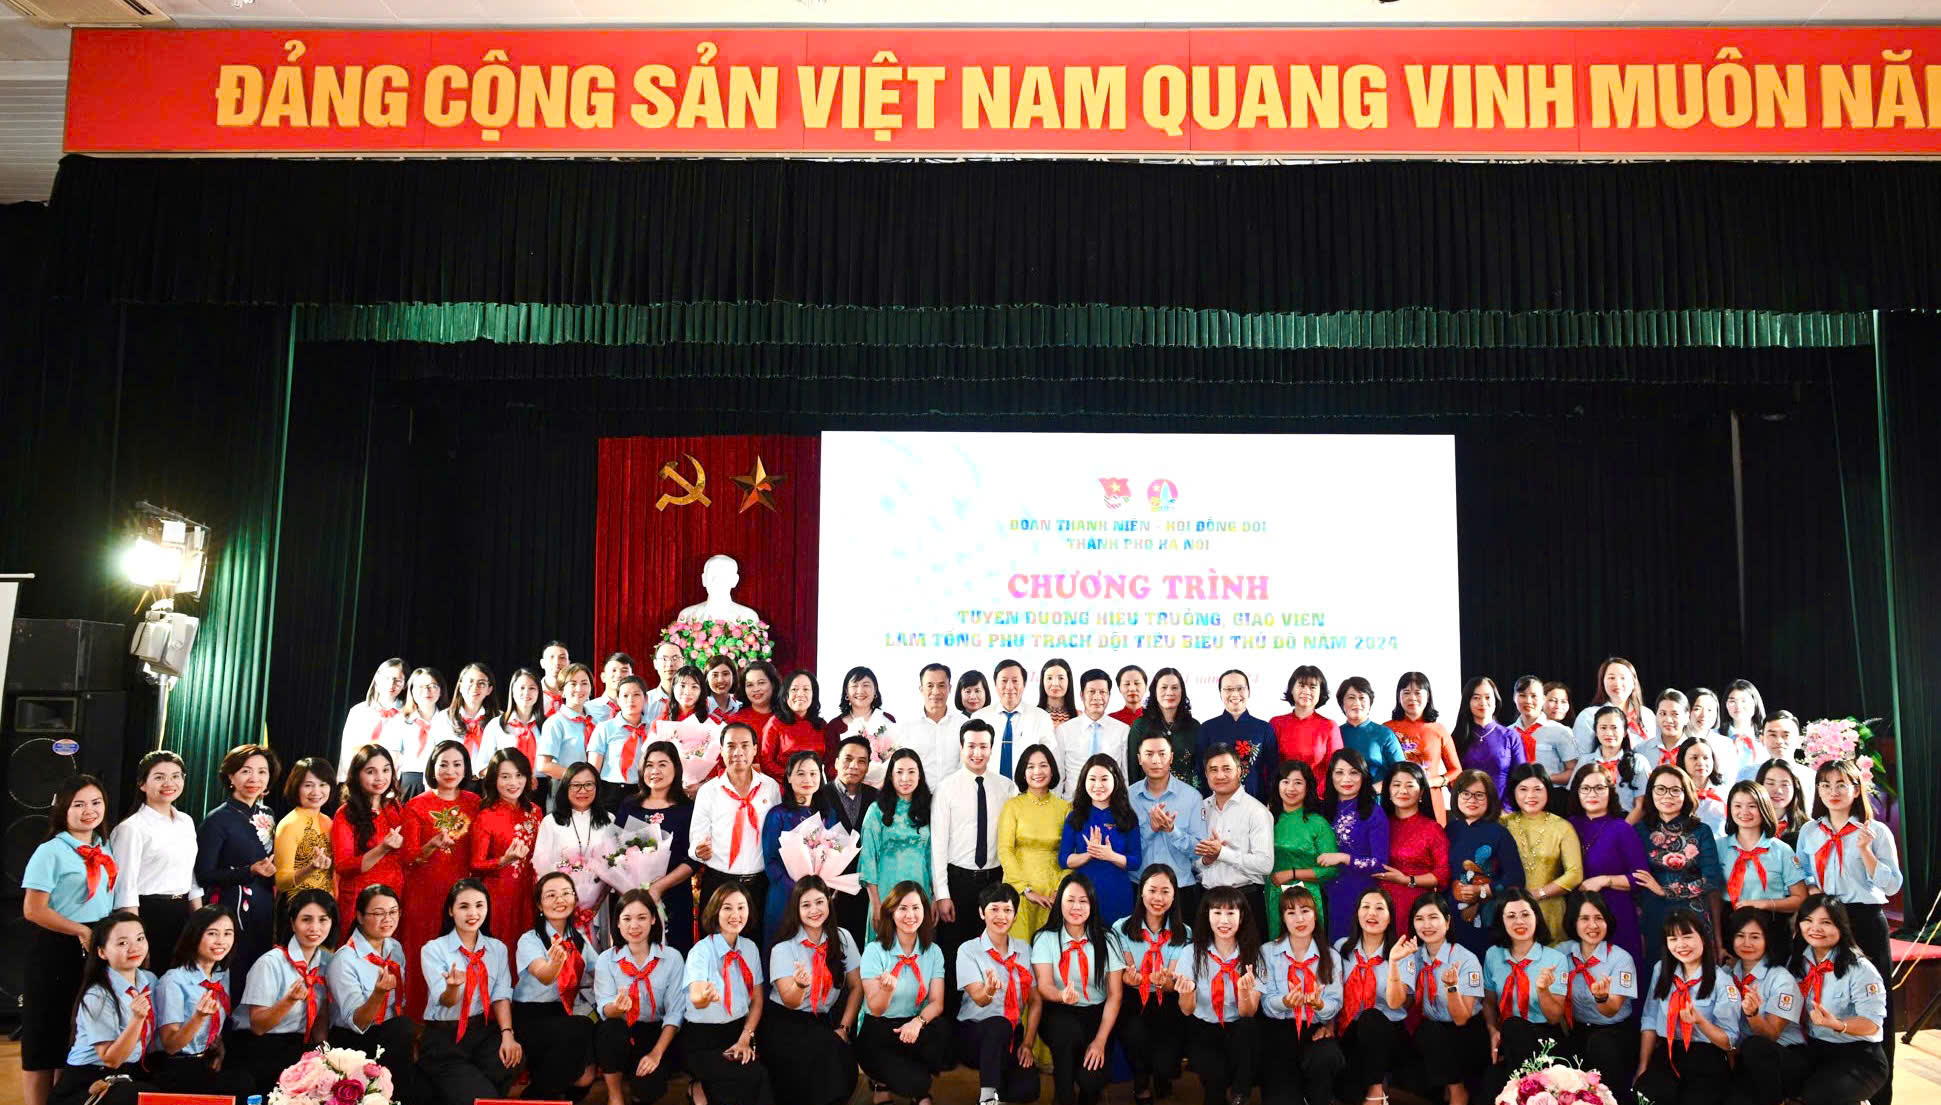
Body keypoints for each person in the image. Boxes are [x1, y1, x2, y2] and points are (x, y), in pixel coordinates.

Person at [1796, 758, 1902, 1105]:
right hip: (1825, 918)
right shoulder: (1810, 831)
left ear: (1856, 790)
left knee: (1877, 1004)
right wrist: (1814, 894)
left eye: (1841, 784)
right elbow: (1804, 873)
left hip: (1864, 919)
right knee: (1824, 993)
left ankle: (1880, 1092)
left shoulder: (1876, 831)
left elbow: (1892, 884)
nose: (1833, 791)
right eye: (1825, 785)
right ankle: (1834, 1080)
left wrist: (1866, 852)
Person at [22, 776, 121, 1105]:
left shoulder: (103, 847)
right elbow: (33, 910)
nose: (89, 810)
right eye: (79, 804)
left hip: (94, 946)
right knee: (44, 1040)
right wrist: (79, 930)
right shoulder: (50, 851)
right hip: (56, 946)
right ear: (63, 810)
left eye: (96, 802)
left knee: (75, 1039)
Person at [324, 885, 436, 1105]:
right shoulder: (344, 959)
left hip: (390, 1037)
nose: (388, 919)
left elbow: (398, 1006)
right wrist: (378, 994)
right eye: (378, 913)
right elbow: (358, 1023)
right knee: (402, 1028)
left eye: (393, 912)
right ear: (359, 916)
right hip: (353, 1041)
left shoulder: (394, 948)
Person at [419, 879, 522, 1104]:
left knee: (512, 1057)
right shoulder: (433, 949)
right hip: (445, 1038)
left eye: (479, 905)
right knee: (481, 1098)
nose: (473, 913)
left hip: (481, 1032)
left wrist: (507, 1034)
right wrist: (453, 987)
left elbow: (500, 995)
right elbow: (446, 1001)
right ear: (451, 910)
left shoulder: (497, 948)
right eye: (464, 906)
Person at [763, 876, 864, 1105]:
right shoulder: (783, 948)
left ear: (829, 901)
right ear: (796, 909)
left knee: (839, 1055)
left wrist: (844, 1028)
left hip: (821, 1022)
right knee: (823, 1059)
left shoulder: (843, 938)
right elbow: (789, 1001)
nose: (814, 910)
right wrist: (799, 986)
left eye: (819, 902)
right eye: (806, 905)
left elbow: (857, 986)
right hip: (784, 1022)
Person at [402, 740, 483, 1015]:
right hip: (423, 893)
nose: (450, 771)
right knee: (419, 953)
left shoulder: (475, 803)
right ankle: (417, 1020)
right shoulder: (416, 805)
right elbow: (408, 857)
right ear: (432, 767)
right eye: (443, 764)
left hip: (461, 896)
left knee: (458, 955)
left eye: (457, 764)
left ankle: (458, 1017)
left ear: (466, 768)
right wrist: (431, 845)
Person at [1789, 895, 1891, 1105]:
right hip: (1815, 1049)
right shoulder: (1797, 961)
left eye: (1826, 922)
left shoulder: (1861, 969)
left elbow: (1872, 1024)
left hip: (1859, 1056)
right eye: (1808, 920)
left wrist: (1838, 1024)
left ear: (1841, 926)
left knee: (1818, 1095)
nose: (1815, 928)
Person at [1634, 906, 1743, 1105]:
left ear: (1703, 938)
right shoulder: (1661, 970)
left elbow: (1729, 1041)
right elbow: (1649, 1019)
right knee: (1645, 1094)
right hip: (1669, 1051)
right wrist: (1643, 1066)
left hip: (1706, 1056)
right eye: (1673, 939)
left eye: (1687, 937)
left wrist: (1701, 1022)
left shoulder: (1722, 981)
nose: (1681, 945)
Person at [1031, 872, 1123, 1105]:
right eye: (1070, 900)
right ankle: (1063, 1095)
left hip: (1097, 1014)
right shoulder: (1045, 938)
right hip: (1059, 1010)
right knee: (1066, 1036)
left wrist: (1100, 1041)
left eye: (1083, 901)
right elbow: (1044, 986)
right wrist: (1061, 995)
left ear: (1092, 904)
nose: (1076, 907)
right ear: (1059, 902)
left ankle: (1089, 1093)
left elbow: (1115, 995)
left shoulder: (1108, 939)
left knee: (1091, 1079)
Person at [933, 720, 1017, 969]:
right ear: (961, 748)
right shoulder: (946, 788)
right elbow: (938, 845)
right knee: (953, 953)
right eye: (971, 746)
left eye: (983, 746)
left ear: (992, 749)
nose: (977, 753)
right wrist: (942, 894)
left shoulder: (1006, 787)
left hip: (994, 881)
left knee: (991, 954)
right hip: (958, 882)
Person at [50, 911, 157, 1105]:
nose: (134, 947)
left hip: (131, 1071)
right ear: (102, 952)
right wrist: (137, 1020)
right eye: (122, 943)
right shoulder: (98, 995)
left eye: (140, 939)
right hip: (90, 1078)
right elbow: (111, 1060)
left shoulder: (149, 980)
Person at [1387, 895, 1486, 1105]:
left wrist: (1451, 987)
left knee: (1431, 1032)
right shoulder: (1413, 956)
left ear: (1447, 922)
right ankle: (1447, 1087)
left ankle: (1457, 1091)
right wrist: (1395, 964)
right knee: (1423, 1036)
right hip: (1433, 1035)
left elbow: (1462, 1019)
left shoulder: (1466, 959)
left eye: (1433, 917)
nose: (1427, 925)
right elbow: (1400, 1004)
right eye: (1419, 919)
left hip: (1466, 1033)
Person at [233, 889, 336, 1090]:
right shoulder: (270, 963)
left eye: (323, 920)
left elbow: (320, 1016)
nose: (315, 927)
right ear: (292, 923)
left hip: (300, 1045)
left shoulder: (327, 962)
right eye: (306, 919)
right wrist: (289, 1001)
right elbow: (258, 1026)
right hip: (260, 1046)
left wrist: (327, 1056)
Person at [857, 883, 949, 1105]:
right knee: (917, 1083)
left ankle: (910, 1081)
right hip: (879, 1030)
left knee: (943, 1034)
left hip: (912, 1027)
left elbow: (937, 1003)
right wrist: (886, 991)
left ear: (925, 911)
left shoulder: (934, 952)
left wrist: (917, 1022)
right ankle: (882, 1083)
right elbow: (876, 1008)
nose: (910, 915)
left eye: (916, 908)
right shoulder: (874, 951)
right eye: (902, 908)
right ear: (891, 912)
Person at [152, 905, 256, 1099]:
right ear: (195, 935)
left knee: (246, 1077)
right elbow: (171, 1046)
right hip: (176, 1066)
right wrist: (198, 1018)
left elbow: (215, 1024)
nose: (221, 941)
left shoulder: (221, 975)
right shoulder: (173, 981)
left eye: (228, 933)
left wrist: (219, 1048)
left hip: (205, 1060)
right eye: (212, 933)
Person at [683, 882, 774, 1105]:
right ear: (715, 911)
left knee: (753, 1077)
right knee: (750, 1078)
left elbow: (757, 1000)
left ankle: (699, 1089)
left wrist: (745, 1038)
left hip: (737, 1033)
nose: (735, 915)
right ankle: (698, 1088)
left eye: (741, 907)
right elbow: (696, 997)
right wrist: (705, 997)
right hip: (702, 1040)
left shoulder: (750, 948)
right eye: (727, 908)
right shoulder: (701, 951)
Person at [593, 888, 685, 1105]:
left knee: (649, 1089)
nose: (634, 926)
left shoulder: (672, 958)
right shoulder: (607, 959)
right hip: (623, 1032)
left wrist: (656, 1053)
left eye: (642, 918)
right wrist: (617, 1007)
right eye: (627, 919)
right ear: (617, 923)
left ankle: (639, 1091)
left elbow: (675, 1013)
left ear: (653, 919)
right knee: (609, 1030)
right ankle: (615, 1096)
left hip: (658, 1033)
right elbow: (605, 1008)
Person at [691, 721, 782, 940]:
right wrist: (699, 850)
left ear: (755, 749)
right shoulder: (708, 791)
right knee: (716, 948)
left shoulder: (770, 787)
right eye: (731, 746)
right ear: (721, 751)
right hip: (718, 884)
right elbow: (696, 838)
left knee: (755, 950)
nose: (738, 752)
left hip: (759, 885)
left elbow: (776, 835)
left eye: (744, 745)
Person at [955, 882, 1044, 1105]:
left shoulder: (1024, 950)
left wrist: (1027, 1043)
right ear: (981, 912)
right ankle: (987, 1099)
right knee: (999, 1024)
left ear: (1015, 915)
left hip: (1012, 1034)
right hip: (974, 1034)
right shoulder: (968, 950)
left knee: (1029, 1090)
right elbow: (979, 998)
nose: (1001, 916)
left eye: (1007, 910)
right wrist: (989, 991)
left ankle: (998, 1088)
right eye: (994, 909)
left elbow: (1035, 1000)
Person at [195, 744, 282, 971]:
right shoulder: (217, 819)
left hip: (264, 904)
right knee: (234, 969)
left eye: (262, 771)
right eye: (245, 771)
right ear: (230, 776)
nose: (254, 778)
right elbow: (204, 874)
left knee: (260, 969)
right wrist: (249, 870)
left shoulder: (268, 814)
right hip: (231, 907)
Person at [110, 751, 202, 963]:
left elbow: (191, 876)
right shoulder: (131, 828)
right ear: (142, 784)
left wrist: (200, 923)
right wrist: (136, 938)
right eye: (159, 777)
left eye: (176, 776)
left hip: (183, 913)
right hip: (148, 914)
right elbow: (125, 888)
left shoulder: (186, 821)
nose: (169, 783)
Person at [1176, 885, 1265, 1105]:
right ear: (1207, 916)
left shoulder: (1254, 954)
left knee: (1248, 1028)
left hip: (1239, 1029)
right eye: (1217, 912)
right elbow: (1186, 1010)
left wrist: (1244, 991)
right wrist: (1187, 992)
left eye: (1231, 913)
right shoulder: (1190, 953)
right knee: (1214, 1088)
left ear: (1241, 917)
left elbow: (1248, 1012)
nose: (1224, 921)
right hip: (1203, 1027)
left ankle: (1240, 1094)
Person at [1259, 886, 1347, 1105]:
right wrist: (1285, 1001)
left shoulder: (1331, 956)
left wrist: (1319, 1005)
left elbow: (1335, 1003)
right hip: (1279, 1030)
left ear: (1315, 915)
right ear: (1283, 918)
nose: (1299, 919)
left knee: (1326, 1056)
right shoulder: (1267, 952)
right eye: (1291, 913)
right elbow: (1266, 1002)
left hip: (1314, 1029)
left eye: (1305, 911)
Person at [1115, 865, 1190, 1105]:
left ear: (1174, 895)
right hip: (1134, 997)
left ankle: (1162, 1075)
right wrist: (1129, 978)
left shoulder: (1184, 932)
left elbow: (1174, 979)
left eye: (1165, 892)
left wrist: (1166, 982)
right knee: (1135, 1033)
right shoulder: (1121, 928)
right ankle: (1140, 1082)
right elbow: (1125, 970)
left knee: (1166, 1064)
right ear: (1141, 892)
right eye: (1152, 890)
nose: (1158, 898)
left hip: (1166, 999)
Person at [616, 740, 699, 953]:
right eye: (649, 765)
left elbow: (693, 859)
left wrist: (658, 887)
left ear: (676, 768)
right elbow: (615, 850)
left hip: (675, 896)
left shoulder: (687, 809)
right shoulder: (629, 805)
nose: (655, 771)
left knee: (675, 954)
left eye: (662, 764)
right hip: (634, 897)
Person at [1481, 888, 1567, 1090]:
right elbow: (1489, 1002)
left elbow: (1555, 1018)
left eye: (1525, 914)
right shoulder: (1493, 955)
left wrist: (1543, 990)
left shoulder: (1555, 959)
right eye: (1511, 916)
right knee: (1489, 1086)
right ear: (1501, 921)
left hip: (1545, 1039)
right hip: (1506, 1038)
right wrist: (1492, 1030)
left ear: (1536, 917)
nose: (1519, 922)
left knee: (1514, 1026)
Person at [1567, 761, 1650, 970]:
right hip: (1577, 914)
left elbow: (1640, 877)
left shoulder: (1622, 828)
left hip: (1616, 912)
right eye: (1585, 788)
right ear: (1577, 792)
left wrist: (1605, 881)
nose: (1592, 794)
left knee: (1620, 975)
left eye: (1599, 788)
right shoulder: (1567, 826)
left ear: (1610, 791)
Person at [1554, 891, 1638, 1094]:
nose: (1593, 925)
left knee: (1599, 1045)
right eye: (1584, 918)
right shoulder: (1562, 953)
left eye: (1599, 918)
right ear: (1574, 922)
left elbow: (1612, 1009)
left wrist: (1601, 998)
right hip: (1579, 1030)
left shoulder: (1621, 959)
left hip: (1615, 1033)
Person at [534, 762, 621, 950]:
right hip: (559, 904)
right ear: (565, 787)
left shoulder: (609, 820)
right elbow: (541, 868)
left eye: (589, 784)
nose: (583, 791)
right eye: (576, 785)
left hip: (598, 904)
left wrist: (595, 901)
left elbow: (616, 866)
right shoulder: (551, 822)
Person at [1725, 906, 1806, 1105]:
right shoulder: (1727, 974)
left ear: (1767, 940)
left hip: (1784, 1058)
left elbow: (1771, 1036)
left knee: (1756, 1045)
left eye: (1755, 937)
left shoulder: (1781, 978)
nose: (1746, 943)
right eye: (1740, 936)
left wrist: (1753, 1015)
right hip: (1746, 1058)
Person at [1634, 765, 1725, 942]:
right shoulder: (1640, 830)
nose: (1667, 795)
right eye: (1661, 789)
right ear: (1651, 792)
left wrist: (1665, 891)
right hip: (1652, 913)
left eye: (1675, 790)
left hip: (1691, 914)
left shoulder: (1701, 830)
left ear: (1686, 794)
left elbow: (1712, 879)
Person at [471, 747, 546, 959]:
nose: (513, 783)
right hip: (499, 898)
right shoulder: (487, 815)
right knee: (501, 954)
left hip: (530, 895)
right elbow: (475, 864)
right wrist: (504, 860)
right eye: (505, 777)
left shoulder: (535, 811)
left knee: (530, 952)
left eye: (519, 775)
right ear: (494, 779)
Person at [1445, 769, 1524, 960]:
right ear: (1456, 796)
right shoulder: (1450, 830)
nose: (1472, 800)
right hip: (1450, 916)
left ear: (1489, 798)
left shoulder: (1499, 833)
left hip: (1488, 917)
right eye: (1466, 794)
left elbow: (1516, 878)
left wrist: (1482, 891)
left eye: (1479, 795)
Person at [1335, 887, 1403, 1105]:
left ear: (1390, 917)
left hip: (1387, 1032)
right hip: (1350, 1029)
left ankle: (1377, 1089)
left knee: (1371, 1017)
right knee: (1348, 1094)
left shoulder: (1401, 952)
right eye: (1366, 907)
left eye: (1380, 908)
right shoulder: (1341, 947)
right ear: (1357, 914)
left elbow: (1396, 1003)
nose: (1372, 913)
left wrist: (1394, 963)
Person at [1197, 743, 1275, 933]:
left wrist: (1222, 853)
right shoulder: (1200, 809)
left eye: (1226, 769)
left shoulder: (1257, 811)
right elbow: (1190, 861)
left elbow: (1265, 864)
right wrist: (1206, 860)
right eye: (1213, 770)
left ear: (1239, 771)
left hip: (1245, 899)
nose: (1220, 775)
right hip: (1207, 900)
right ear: (1206, 774)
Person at [330, 744, 407, 933]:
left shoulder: (395, 807)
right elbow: (343, 866)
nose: (380, 777)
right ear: (357, 775)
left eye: (385, 770)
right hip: (362, 900)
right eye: (371, 771)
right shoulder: (345, 813)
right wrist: (382, 848)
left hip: (393, 896)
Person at [861, 748, 935, 942]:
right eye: (899, 772)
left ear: (920, 775)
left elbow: (932, 856)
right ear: (890, 776)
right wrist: (875, 903)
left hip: (921, 891)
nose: (905, 778)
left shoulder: (929, 809)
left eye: (911, 772)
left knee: (918, 947)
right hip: (886, 893)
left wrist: (935, 896)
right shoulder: (876, 810)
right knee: (885, 947)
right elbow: (868, 859)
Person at [1131, 731, 1207, 919]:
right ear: (1139, 759)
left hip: (1180, 888)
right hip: (1138, 887)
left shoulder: (1192, 797)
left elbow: (1199, 850)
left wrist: (1172, 831)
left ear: (1171, 757)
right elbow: (1124, 849)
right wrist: (1151, 829)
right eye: (1149, 754)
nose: (1156, 760)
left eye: (1162, 753)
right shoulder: (1128, 797)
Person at [1501, 763, 1584, 937]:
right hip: (1511, 911)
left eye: (1537, 789)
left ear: (1548, 790)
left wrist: (1540, 893)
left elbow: (1575, 873)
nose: (1530, 795)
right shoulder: (1504, 824)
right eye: (1523, 789)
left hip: (1551, 910)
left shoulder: (1562, 827)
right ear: (1513, 791)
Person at [1316, 749, 1389, 944]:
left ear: (1363, 776)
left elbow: (1380, 864)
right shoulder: (1323, 810)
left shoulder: (1374, 812)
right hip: (1324, 894)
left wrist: (1344, 858)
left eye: (1354, 772)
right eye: (1339, 772)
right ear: (1331, 776)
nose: (1346, 779)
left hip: (1359, 896)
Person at [763, 750, 834, 945]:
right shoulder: (777, 815)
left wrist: (820, 888)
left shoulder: (828, 814)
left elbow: (835, 850)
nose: (808, 779)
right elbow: (771, 862)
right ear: (789, 777)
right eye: (801, 773)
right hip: (785, 895)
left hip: (817, 899)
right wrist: (798, 890)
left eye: (813, 773)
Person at [1000, 744, 1071, 940]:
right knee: (1018, 949)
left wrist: (1059, 890)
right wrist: (1025, 890)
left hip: (1053, 894)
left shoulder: (1065, 808)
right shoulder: (1013, 806)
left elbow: (1070, 854)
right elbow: (1005, 850)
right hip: (1018, 890)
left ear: (1052, 769)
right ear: (1023, 772)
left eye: (1043, 765)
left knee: (1050, 949)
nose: (1037, 772)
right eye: (1030, 767)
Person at [1060, 756, 1141, 924]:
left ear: (1116, 781)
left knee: (1117, 938)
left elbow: (1136, 861)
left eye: (1104, 779)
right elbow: (1063, 859)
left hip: (1118, 893)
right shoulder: (1075, 816)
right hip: (1083, 896)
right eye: (1092, 779)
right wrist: (1089, 854)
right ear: (1084, 781)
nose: (1098, 785)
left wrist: (1111, 856)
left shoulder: (1127, 816)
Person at [1266, 759, 1338, 939]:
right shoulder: (1266, 819)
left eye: (1298, 782)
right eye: (1285, 782)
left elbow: (1331, 870)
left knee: (1308, 947)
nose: (1291, 788)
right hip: (1274, 894)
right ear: (1277, 785)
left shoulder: (1318, 823)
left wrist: (1292, 874)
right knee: (1277, 946)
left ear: (1307, 787)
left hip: (1307, 899)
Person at [1718, 780, 1807, 922]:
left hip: (1771, 921)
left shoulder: (1782, 850)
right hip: (1729, 921)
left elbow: (1800, 898)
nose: (1744, 812)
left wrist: (1763, 904)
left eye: (1752, 806)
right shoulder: (1718, 847)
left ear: (1764, 808)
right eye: (1738, 806)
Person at [823, 735, 880, 946]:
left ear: (868, 767)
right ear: (836, 762)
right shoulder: (820, 795)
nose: (854, 766)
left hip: (867, 891)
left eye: (861, 761)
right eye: (848, 759)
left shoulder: (877, 798)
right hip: (830, 893)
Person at [1376, 761, 1448, 922]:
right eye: (1396, 785)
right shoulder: (1379, 825)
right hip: (1380, 906)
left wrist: (1407, 880)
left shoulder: (1432, 829)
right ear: (1388, 791)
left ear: (1421, 792)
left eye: (1410, 785)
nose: (1403, 790)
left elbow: (1442, 875)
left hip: (1417, 908)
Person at [1198, 669, 1279, 801]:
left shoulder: (1264, 728)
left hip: (1255, 801)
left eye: (1240, 688)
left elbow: (1273, 770)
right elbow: (1200, 770)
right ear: (1220, 693)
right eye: (1228, 689)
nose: (1235, 694)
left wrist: (1271, 801)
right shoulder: (1207, 728)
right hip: (1215, 803)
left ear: (1249, 691)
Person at [1386, 672, 1461, 812]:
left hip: (1431, 798)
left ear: (1428, 696)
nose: (1412, 698)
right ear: (1398, 696)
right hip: (1397, 800)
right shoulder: (1386, 730)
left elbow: (1456, 770)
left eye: (1417, 693)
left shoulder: (1438, 730)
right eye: (1406, 693)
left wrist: (1435, 781)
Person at [976, 658, 1060, 784]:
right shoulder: (980, 717)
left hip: (1028, 791)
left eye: (1015, 681)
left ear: (1024, 684)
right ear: (995, 684)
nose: (1009, 687)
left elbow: (1052, 761)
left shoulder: (1041, 717)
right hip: (988, 789)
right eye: (1004, 681)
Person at [1450, 676, 1525, 805]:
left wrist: (1506, 808)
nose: (1483, 702)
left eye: (1488, 697)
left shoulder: (1511, 736)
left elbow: (1520, 779)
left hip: (1503, 811)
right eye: (1476, 698)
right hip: (1468, 808)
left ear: (1496, 701)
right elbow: (1452, 779)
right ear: (1468, 702)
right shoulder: (1457, 737)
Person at [1057, 668, 1131, 798]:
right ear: (1082, 695)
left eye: (1102, 692)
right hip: (1073, 804)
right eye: (1091, 691)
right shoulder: (1064, 730)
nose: (1097, 697)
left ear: (1109, 695)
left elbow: (1125, 776)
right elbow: (1059, 774)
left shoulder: (1122, 730)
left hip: (1111, 804)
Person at [1569, 658, 1657, 763]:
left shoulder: (1647, 715)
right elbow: (1581, 757)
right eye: (1611, 678)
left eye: (1623, 678)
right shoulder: (1589, 716)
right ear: (1602, 682)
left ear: (1634, 682)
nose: (1617, 683)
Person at [590, 674, 659, 807]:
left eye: (636, 695)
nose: (630, 700)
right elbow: (593, 769)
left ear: (645, 699)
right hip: (611, 792)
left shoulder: (654, 728)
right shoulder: (604, 728)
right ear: (618, 700)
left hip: (646, 791)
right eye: (625, 696)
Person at [272, 757, 336, 899]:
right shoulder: (289, 824)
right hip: (298, 904)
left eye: (323, 784)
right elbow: (281, 882)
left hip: (327, 903)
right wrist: (311, 868)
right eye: (308, 785)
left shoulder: (328, 821)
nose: (316, 792)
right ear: (296, 787)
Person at [1127, 667, 1200, 791]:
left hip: (1185, 797)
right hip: (1149, 797)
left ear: (1182, 691)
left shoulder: (1194, 726)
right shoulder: (1140, 726)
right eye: (1164, 687)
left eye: (1175, 688)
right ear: (1154, 691)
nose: (1169, 692)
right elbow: (1133, 771)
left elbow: (1199, 771)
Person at [339, 658, 408, 779]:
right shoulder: (359, 711)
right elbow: (347, 750)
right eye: (386, 678)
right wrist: (345, 778)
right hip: (358, 775)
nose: (391, 684)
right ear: (377, 678)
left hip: (390, 779)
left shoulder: (407, 714)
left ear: (405, 685)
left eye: (398, 680)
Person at [900, 662, 966, 787]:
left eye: (941, 685)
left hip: (955, 793)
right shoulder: (907, 726)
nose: (936, 692)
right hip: (919, 795)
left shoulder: (963, 723)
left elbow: (966, 765)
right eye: (930, 686)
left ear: (949, 688)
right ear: (921, 689)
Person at [428, 662, 498, 780]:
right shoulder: (443, 718)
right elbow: (431, 758)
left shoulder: (498, 720)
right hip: (451, 781)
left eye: (481, 683)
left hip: (488, 782)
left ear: (489, 689)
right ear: (460, 686)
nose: (475, 687)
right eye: (470, 681)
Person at [1270, 665, 1343, 779]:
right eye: (1301, 685)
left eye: (1312, 687)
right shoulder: (1276, 723)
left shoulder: (1329, 726)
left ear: (1320, 692)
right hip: (1284, 788)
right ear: (1291, 689)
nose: (1306, 691)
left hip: (1318, 790)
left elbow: (1336, 770)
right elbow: (1269, 766)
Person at [385, 665, 446, 797]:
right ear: (411, 691)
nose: (427, 691)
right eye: (420, 687)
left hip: (443, 782)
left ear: (441, 690)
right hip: (410, 783)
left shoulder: (449, 720)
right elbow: (393, 759)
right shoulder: (400, 720)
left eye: (432, 686)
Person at [1584, 705, 1651, 819]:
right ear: (1595, 731)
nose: (1609, 733)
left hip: (1627, 821)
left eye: (1614, 727)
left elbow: (1641, 807)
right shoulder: (1585, 762)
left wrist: (1620, 828)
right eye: (1603, 728)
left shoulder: (1638, 761)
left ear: (1625, 732)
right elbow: (1575, 798)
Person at [826, 664, 898, 769]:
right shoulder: (835, 726)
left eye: (866, 685)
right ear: (846, 691)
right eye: (854, 686)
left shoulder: (887, 719)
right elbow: (830, 767)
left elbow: (897, 759)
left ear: (875, 689)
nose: (860, 691)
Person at [1336, 677, 1406, 785]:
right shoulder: (1335, 734)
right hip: (1342, 794)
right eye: (1351, 697)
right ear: (1342, 703)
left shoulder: (1385, 734)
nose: (1357, 703)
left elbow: (1402, 772)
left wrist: (1375, 789)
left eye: (1362, 698)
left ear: (1370, 702)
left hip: (1377, 794)